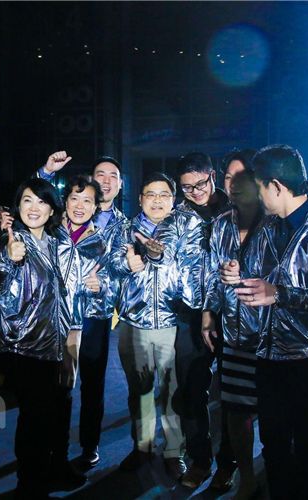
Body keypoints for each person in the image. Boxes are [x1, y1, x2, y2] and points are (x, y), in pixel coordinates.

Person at [223, 145, 308, 499]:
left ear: (276, 186)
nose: (257, 196)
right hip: (269, 358)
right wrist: (236, 274)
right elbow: (258, 277)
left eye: (259, 187)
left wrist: (277, 293)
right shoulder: (268, 227)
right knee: (274, 448)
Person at [0, 178, 82, 499]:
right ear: (18, 206)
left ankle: (45, 477)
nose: (34, 208)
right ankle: (29, 486)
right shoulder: (13, 242)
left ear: (52, 209)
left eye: (42, 202)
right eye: (27, 200)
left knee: (51, 416)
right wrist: (7, 260)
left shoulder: (54, 244)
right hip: (25, 349)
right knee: (33, 422)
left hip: (54, 346)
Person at [36, 153, 128, 467]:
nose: (106, 180)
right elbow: (35, 200)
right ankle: (53, 450)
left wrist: (104, 284)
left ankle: (90, 445)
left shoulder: (123, 226)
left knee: (93, 384)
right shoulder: (58, 223)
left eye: (113, 175)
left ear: (120, 184)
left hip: (95, 315)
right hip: (58, 315)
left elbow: (122, 273)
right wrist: (46, 172)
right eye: (100, 173)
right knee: (56, 385)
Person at [110, 172, 190, 480]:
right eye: (150, 194)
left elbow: (192, 274)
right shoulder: (124, 230)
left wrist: (162, 256)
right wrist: (126, 263)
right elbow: (110, 268)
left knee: (173, 391)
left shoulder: (185, 229)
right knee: (139, 389)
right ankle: (141, 447)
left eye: (163, 195)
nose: (157, 200)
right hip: (134, 324)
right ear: (140, 198)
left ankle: (174, 451)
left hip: (172, 323)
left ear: (173, 200)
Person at [174, 152, 234, 488]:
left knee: (231, 392)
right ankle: (200, 459)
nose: (196, 192)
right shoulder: (176, 216)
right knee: (191, 389)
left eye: (200, 184)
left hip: (231, 311)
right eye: (187, 187)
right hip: (190, 313)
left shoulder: (234, 207)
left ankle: (229, 462)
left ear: (212, 175)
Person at [203, 170, 263, 496]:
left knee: (269, 411)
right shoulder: (222, 224)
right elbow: (213, 274)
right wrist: (208, 313)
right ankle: (246, 478)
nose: (234, 186)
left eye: (242, 179)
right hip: (234, 333)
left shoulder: (275, 222)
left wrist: (245, 274)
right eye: (229, 179)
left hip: (270, 335)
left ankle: (270, 471)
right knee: (236, 410)